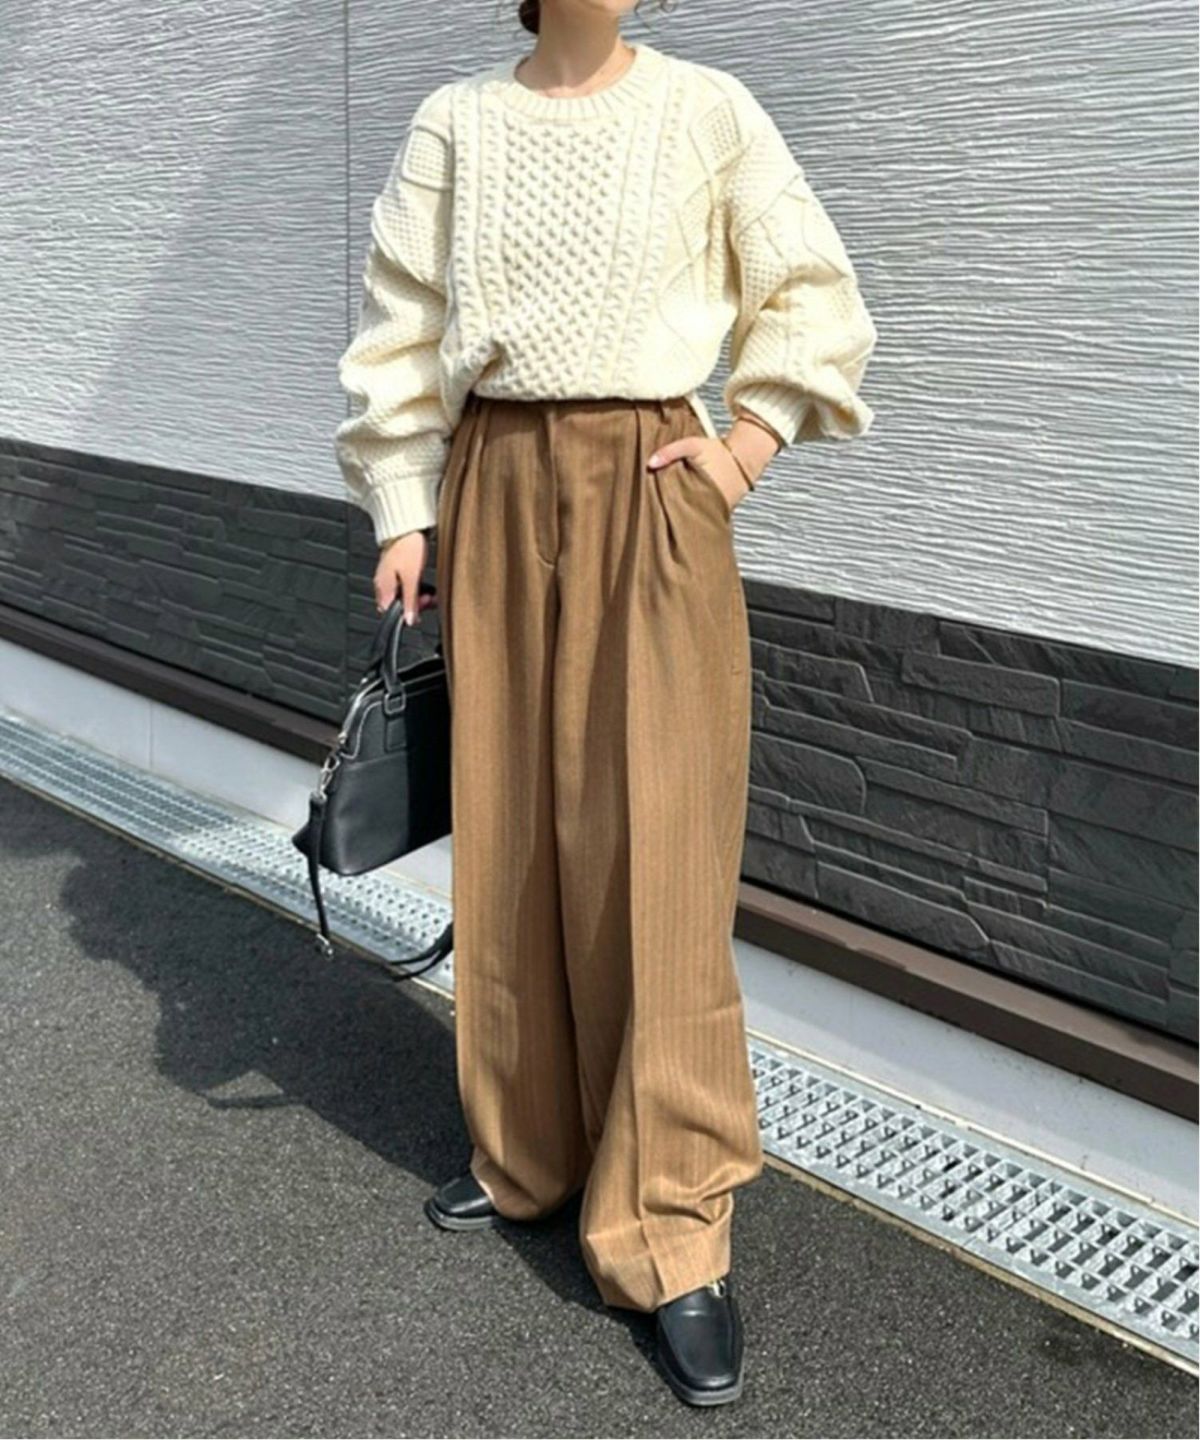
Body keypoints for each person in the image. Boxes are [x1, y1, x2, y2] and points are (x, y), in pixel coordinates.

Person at [334, 0, 877, 1409]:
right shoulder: (457, 122)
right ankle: (531, 1155)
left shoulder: (706, 109)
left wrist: (747, 444)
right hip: (496, 480)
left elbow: (812, 286)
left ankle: (673, 1225)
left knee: (662, 854)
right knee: (513, 834)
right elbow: (401, 325)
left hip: (652, 480)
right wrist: (403, 505)